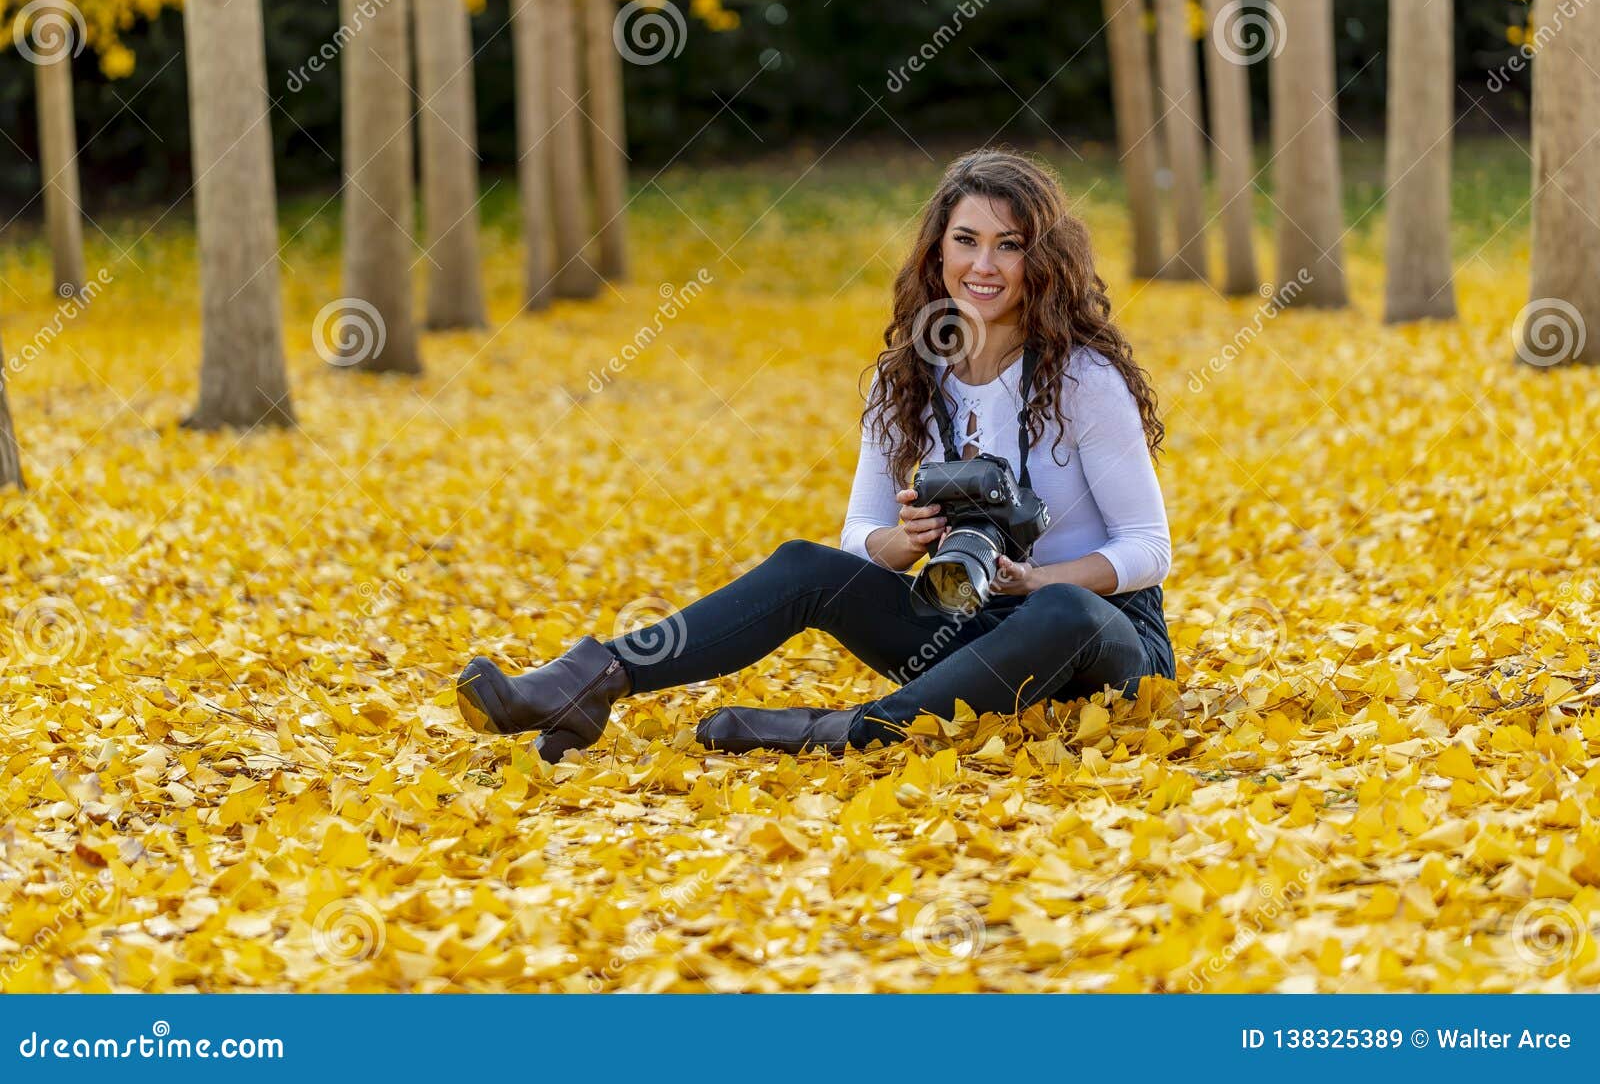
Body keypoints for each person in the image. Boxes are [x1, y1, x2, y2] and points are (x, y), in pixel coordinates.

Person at [455, 148, 1176, 763]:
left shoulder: (1081, 379)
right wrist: (904, 541)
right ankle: (590, 679)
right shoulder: (910, 380)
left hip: (1104, 645)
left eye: (1009, 244)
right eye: (966, 240)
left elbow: (1149, 548)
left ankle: (847, 730)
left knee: (1064, 610)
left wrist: (1034, 578)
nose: (983, 265)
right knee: (805, 566)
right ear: (937, 252)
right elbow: (857, 538)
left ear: (1040, 259)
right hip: (968, 625)